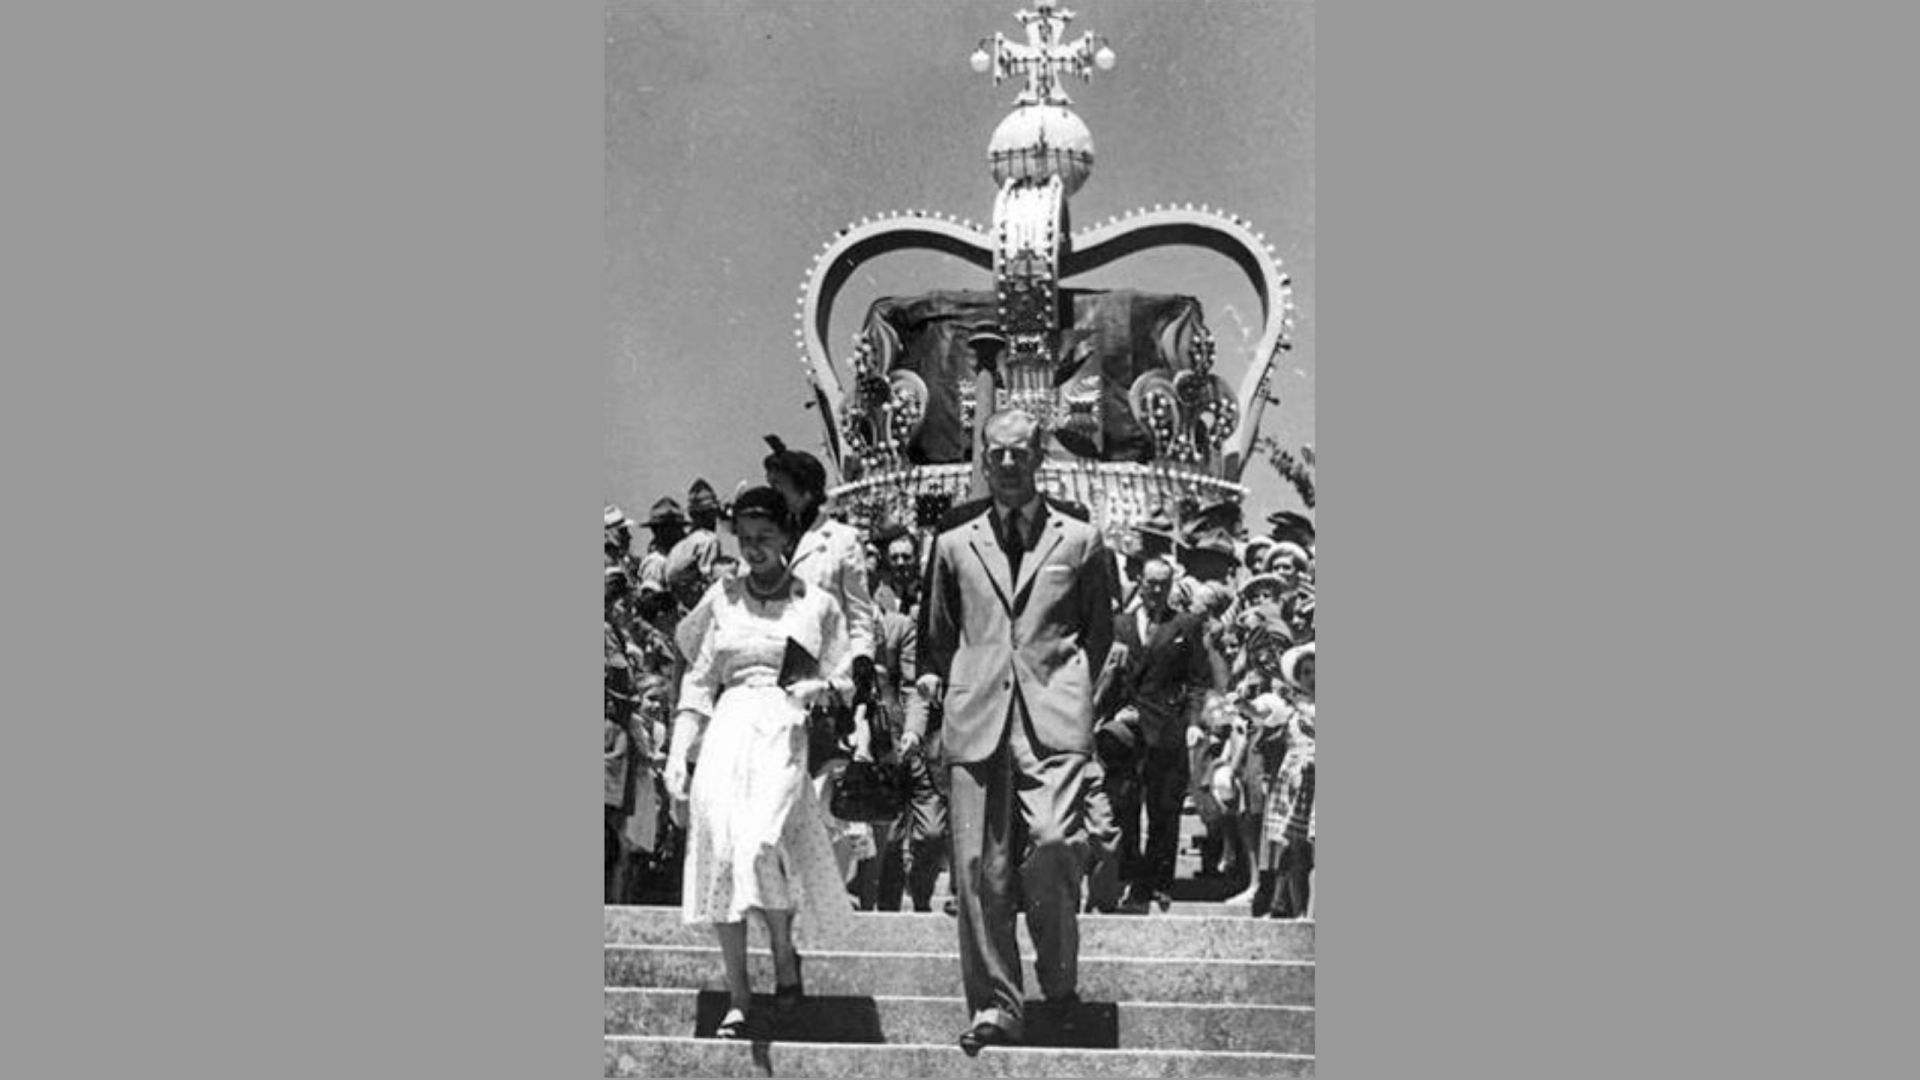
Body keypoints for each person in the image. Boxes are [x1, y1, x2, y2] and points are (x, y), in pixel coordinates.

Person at [904, 408, 1117, 1053]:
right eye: (994, 454)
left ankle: (1059, 987)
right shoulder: (952, 545)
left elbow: (1102, 635)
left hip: (1054, 719)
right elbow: (936, 640)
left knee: (1053, 845)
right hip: (977, 720)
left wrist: (1079, 700)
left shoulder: (1080, 541)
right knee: (977, 871)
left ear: (1039, 454)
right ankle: (996, 1006)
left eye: (1018, 452)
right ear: (983, 457)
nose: (1006, 465)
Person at [661, 486, 856, 1041]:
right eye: (745, 540)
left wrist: (821, 685)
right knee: (723, 848)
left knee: (759, 843)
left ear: (787, 538)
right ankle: (740, 995)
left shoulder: (817, 604)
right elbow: (698, 683)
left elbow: (844, 675)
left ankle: (783, 953)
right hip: (728, 729)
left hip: (783, 727)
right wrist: (679, 751)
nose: (754, 549)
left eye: (765, 538)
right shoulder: (721, 599)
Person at [762, 436, 876, 884]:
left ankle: (827, 886)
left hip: (828, 678)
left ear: (806, 490)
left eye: (780, 485)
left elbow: (860, 611)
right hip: (773, 678)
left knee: (825, 782)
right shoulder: (768, 539)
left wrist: (862, 662)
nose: (773, 494)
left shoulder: (841, 539)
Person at [1095, 556, 1224, 913]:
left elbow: (1199, 681)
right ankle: (1131, 879)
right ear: (1140, 582)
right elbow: (1106, 675)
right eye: (1150, 583)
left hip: (1167, 727)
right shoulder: (1118, 625)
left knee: (1164, 809)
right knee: (1125, 805)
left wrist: (1195, 722)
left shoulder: (1184, 624)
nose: (1155, 590)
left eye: (1162, 584)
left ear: (1170, 587)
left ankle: (1159, 883)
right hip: (1125, 730)